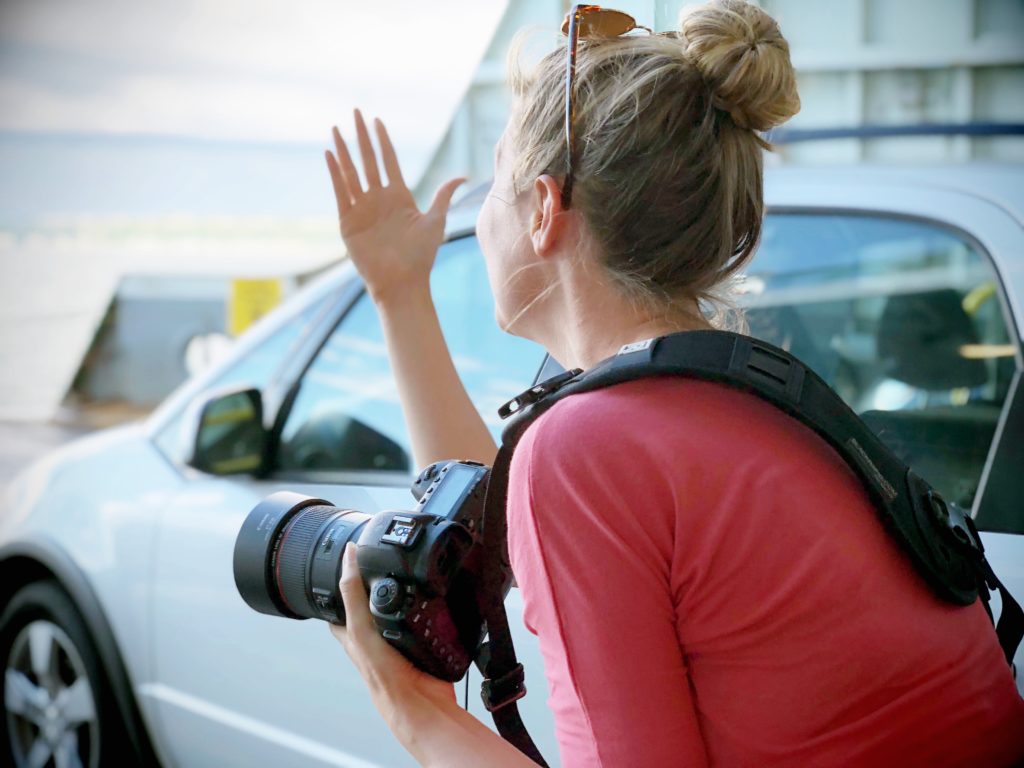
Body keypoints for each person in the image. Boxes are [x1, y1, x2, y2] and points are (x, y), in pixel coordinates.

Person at [323, 1, 1024, 765]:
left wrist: (416, 714)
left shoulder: (592, 443)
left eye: (495, 186)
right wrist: (399, 292)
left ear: (545, 211)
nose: (480, 220)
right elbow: (486, 525)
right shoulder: (748, 392)